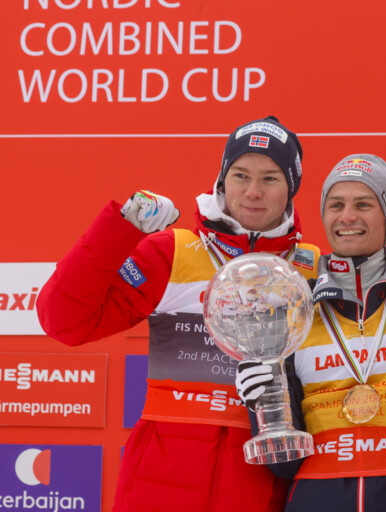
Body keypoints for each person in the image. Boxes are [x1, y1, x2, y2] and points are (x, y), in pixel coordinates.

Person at [37, 116, 319, 512]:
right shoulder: (171, 252)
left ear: (292, 188)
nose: (253, 191)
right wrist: (120, 231)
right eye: (240, 175)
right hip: (158, 483)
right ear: (222, 179)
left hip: (255, 483)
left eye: (270, 178)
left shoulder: (309, 271)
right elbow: (63, 320)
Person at [236, 154, 386, 512]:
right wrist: (260, 402)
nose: (347, 217)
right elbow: (284, 465)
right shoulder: (295, 313)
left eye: (364, 204)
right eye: (336, 204)